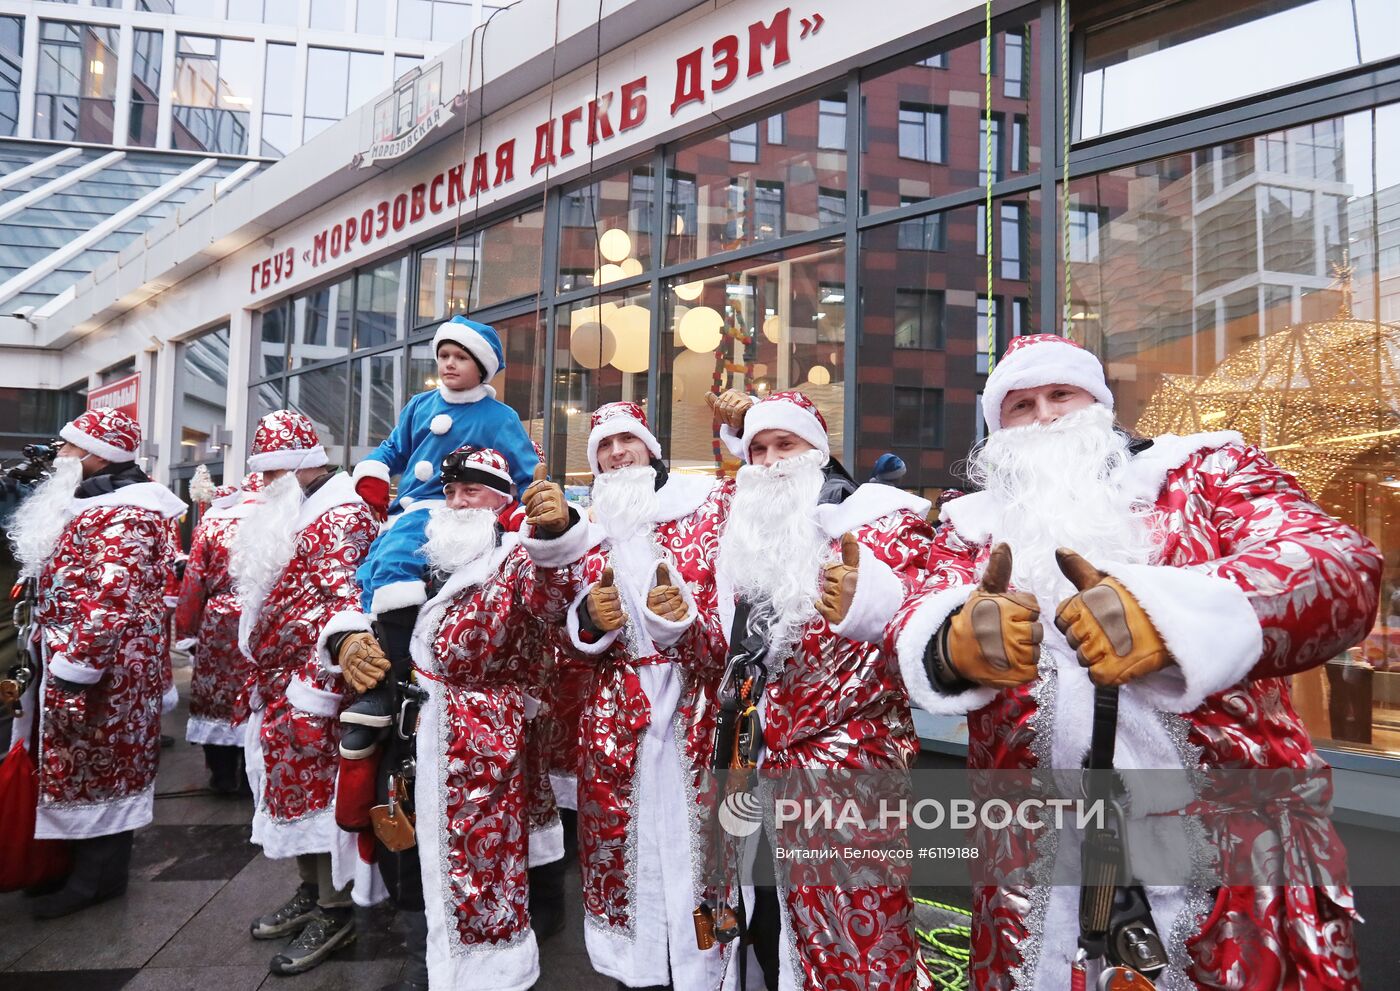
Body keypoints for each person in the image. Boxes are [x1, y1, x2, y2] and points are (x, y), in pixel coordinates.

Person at [885, 334, 1381, 989]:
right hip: (1033, 874)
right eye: (1020, 405)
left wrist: (1172, 619)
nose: (1045, 415)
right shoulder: (970, 529)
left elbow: (1336, 562)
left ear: (1099, 402)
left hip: (1222, 857)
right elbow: (909, 615)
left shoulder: (1205, 473)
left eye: (1061, 394)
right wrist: (951, 647)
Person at [706, 388, 935, 991]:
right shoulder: (748, 536)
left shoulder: (873, 522)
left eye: (787, 444)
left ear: (819, 453)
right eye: (758, 448)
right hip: (753, 761)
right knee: (768, 916)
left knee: (859, 933)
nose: (771, 460)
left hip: (848, 767)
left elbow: (917, 618)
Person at [532, 401, 731, 991]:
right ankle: (638, 970)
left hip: (695, 703)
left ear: (651, 448)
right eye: (605, 448)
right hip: (617, 714)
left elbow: (734, 610)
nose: (618, 454)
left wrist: (682, 623)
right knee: (625, 848)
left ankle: (707, 968)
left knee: (702, 849)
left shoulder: (703, 512)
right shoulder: (586, 536)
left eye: (628, 442)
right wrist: (589, 622)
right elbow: (559, 629)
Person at [386, 444, 579, 991]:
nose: (456, 500)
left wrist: (553, 535)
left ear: (501, 497)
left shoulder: (518, 555)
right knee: (432, 856)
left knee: (481, 865)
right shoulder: (435, 555)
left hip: (483, 737)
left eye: (471, 489)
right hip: (429, 724)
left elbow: (552, 595)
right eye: (449, 490)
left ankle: (489, 974)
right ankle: (438, 962)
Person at [5, 406, 185, 919]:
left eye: (66, 446)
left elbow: (112, 601)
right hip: (75, 661)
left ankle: (97, 881)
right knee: (73, 766)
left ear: (91, 454)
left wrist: (75, 665)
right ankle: (70, 866)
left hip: (106, 673)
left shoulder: (126, 511)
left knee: (104, 769)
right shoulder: (93, 502)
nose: (59, 454)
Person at [230, 410, 384, 976]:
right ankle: (310, 890)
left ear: (293, 469)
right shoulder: (301, 510)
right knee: (290, 799)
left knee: (320, 802)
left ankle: (334, 907)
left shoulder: (340, 517)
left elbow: (347, 614)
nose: (261, 487)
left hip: (316, 694)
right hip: (284, 690)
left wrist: (316, 692)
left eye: (268, 476)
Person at [343, 316, 538, 752]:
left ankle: (395, 678)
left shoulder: (499, 416)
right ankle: (386, 678)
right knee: (381, 567)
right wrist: (374, 473)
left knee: (397, 560)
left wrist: (522, 512)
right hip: (414, 508)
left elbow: (525, 472)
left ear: (481, 366)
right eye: (444, 355)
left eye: (460, 357)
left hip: (460, 513)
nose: (449, 364)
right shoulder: (419, 405)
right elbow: (392, 449)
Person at [175, 471, 262, 794]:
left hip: (218, 623)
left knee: (217, 697)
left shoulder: (213, 524)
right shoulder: (280, 521)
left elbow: (193, 582)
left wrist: (187, 630)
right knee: (254, 696)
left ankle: (222, 775)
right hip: (261, 620)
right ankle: (251, 778)